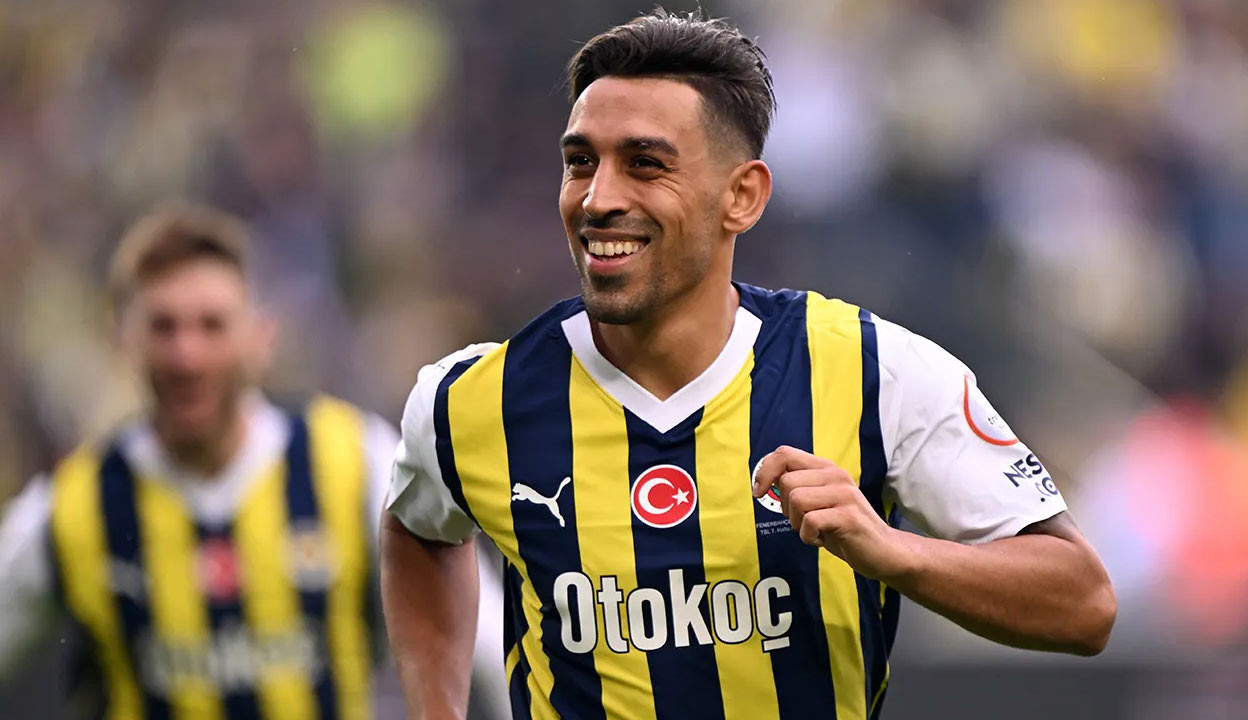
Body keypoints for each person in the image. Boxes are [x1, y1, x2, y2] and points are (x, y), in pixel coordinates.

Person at [380, 9, 1117, 720]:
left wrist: (893, 552)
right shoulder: (470, 402)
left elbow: (1084, 603)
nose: (598, 198)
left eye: (645, 165)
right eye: (581, 163)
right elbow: (418, 530)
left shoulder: (873, 372)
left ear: (742, 196)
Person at [0, 202, 400, 720]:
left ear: (261, 337)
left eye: (212, 326)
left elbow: (482, 646)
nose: (188, 356)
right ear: (123, 338)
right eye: (163, 327)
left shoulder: (357, 463)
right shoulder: (73, 507)